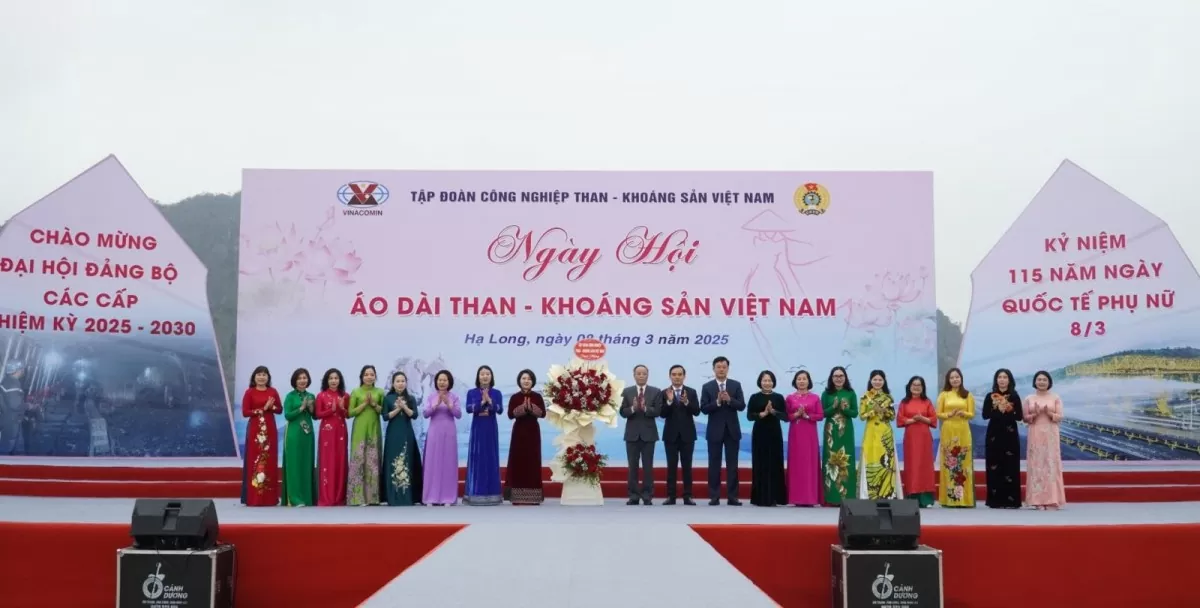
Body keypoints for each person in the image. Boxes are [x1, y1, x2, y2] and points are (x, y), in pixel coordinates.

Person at [701, 356, 746, 506]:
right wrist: (718, 402)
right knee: (714, 464)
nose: (721, 369)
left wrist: (730, 400)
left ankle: (733, 497)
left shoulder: (735, 385)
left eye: (724, 367)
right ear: (713, 369)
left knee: (732, 465)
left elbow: (741, 406)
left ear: (728, 368)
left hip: (732, 431)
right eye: (718, 367)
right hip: (714, 431)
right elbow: (704, 409)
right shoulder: (707, 387)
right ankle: (714, 496)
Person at [1024, 371, 1066, 510]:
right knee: (1036, 464)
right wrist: (1034, 414)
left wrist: (1049, 413)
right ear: (1035, 382)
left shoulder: (1055, 397)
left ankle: (1053, 499)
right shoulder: (1029, 398)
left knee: (1050, 464)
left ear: (1049, 382)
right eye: (1039, 379)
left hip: (1051, 434)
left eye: (1044, 380)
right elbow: (1025, 418)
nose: (1041, 382)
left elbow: (1060, 417)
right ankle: (1037, 500)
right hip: (1035, 433)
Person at [659, 364, 700, 505]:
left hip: (688, 435)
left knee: (687, 466)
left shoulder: (691, 392)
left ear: (684, 376)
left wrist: (687, 402)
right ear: (670, 376)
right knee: (671, 466)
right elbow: (662, 414)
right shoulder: (664, 392)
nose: (677, 377)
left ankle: (687, 496)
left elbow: (696, 411)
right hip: (670, 435)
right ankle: (671, 496)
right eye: (674, 374)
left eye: (679, 374)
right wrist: (669, 401)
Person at [242, 365, 282, 507]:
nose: (261, 377)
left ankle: (270, 498)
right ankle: (255, 497)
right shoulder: (249, 392)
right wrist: (262, 410)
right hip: (255, 430)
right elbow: (245, 412)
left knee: (269, 460)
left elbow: (279, 409)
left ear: (268, 378)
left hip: (270, 429)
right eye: (259, 374)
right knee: (256, 460)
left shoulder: (273, 391)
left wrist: (271, 408)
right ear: (254, 377)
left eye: (264, 374)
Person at [621, 364, 661, 505]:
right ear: (634, 375)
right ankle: (633, 495)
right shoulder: (627, 392)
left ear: (647, 375)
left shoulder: (655, 392)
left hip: (649, 434)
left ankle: (647, 495)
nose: (641, 376)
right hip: (632, 434)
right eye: (638, 373)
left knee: (648, 466)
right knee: (633, 466)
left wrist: (645, 408)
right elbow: (622, 412)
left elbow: (658, 411)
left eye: (644, 373)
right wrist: (633, 408)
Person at [382, 371, 424, 506]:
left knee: (407, 460)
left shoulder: (410, 398)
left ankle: (408, 496)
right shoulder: (388, 398)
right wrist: (397, 409)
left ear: (406, 383)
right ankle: (393, 496)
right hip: (393, 433)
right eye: (397, 381)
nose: (400, 384)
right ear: (393, 384)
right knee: (393, 461)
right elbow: (385, 416)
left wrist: (404, 407)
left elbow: (414, 415)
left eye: (403, 381)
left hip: (407, 433)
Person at [859, 370, 902, 500]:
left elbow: (892, 416)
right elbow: (862, 416)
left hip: (885, 432)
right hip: (871, 431)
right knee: (871, 459)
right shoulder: (865, 397)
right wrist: (873, 411)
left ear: (884, 382)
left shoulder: (889, 398)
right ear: (870, 381)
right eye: (875, 380)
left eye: (880, 380)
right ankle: (870, 493)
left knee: (887, 462)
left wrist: (884, 412)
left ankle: (887, 493)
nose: (877, 382)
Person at [983, 368, 1023, 509]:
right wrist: (997, 409)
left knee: (1010, 465)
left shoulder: (1014, 396)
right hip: (994, 434)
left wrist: (1008, 409)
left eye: (1005, 377)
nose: (1002, 379)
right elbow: (985, 415)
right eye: (999, 377)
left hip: (1010, 433)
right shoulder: (990, 396)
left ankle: (1011, 500)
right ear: (996, 380)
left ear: (1009, 380)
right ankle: (995, 500)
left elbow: (1019, 417)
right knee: (994, 465)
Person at [505, 369, 545, 505]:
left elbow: (543, 413)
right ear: (519, 381)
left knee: (532, 463)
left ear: (532, 381)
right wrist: (522, 408)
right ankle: (516, 496)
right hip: (519, 432)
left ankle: (533, 497)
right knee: (518, 462)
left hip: (533, 432)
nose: (526, 381)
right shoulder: (514, 397)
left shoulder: (537, 397)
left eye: (529, 379)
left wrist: (532, 408)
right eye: (523, 378)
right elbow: (510, 414)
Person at [937, 367, 976, 508]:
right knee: (949, 462)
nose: (955, 380)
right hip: (948, 429)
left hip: (963, 429)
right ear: (948, 380)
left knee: (963, 463)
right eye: (952, 377)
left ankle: (964, 499)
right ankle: (949, 498)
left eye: (957, 377)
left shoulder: (967, 395)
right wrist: (949, 414)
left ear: (961, 379)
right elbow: (938, 414)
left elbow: (972, 414)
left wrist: (963, 413)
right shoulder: (944, 395)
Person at [464, 365, 503, 506]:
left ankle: (493, 494)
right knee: (477, 457)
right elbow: (469, 408)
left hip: (491, 428)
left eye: (487, 374)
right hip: (478, 429)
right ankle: (475, 493)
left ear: (491, 376)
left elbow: (500, 410)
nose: (485, 376)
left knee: (491, 457)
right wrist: (482, 402)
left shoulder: (497, 393)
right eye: (482, 374)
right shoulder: (472, 392)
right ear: (478, 377)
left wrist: (490, 401)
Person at [747, 370, 787, 506]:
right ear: (760, 382)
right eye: (764, 380)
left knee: (775, 463)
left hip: (775, 433)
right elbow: (749, 416)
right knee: (760, 463)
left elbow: (785, 417)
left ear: (773, 382)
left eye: (769, 380)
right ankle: (760, 498)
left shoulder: (779, 398)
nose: (767, 383)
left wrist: (773, 412)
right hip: (759, 433)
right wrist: (762, 414)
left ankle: (776, 497)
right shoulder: (754, 397)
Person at [896, 376, 937, 508]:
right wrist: (914, 420)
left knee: (925, 466)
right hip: (911, 437)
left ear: (923, 387)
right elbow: (900, 420)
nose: (916, 387)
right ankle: (912, 496)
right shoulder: (904, 402)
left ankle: (925, 499)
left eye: (919, 385)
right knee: (912, 465)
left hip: (924, 437)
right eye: (914, 385)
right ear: (909, 386)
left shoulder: (927, 402)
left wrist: (921, 418)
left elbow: (933, 419)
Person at [422, 370, 462, 506]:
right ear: (436, 382)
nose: (442, 382)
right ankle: (431, 496)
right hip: (434, 432)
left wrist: (449, 404)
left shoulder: (454, 397)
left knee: (448, 463)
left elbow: (458, 414)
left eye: (445, 380)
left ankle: (448, 497)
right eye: (440, 380)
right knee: (433, 462)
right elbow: (426, 414)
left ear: (449, 382)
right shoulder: (431, 396)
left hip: (449, 431)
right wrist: (436, 405)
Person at [347, 365, 385, 506]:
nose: (369, 377)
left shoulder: (380, 392)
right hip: (359, 429)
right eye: (366, 374)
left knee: (373, 462)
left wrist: (374, 404)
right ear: (362, 377)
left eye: (372, 374)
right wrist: (364, 404)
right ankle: (356, 498)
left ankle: (372, 498)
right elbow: (350, 413)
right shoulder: (356, 392)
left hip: (374, 429)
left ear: (375, 377)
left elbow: (384, 412)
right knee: (358, 460)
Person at [821, 366, 858, 505]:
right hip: (831, 431)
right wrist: (833, 407)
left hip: (846, 431)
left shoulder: (850, 393)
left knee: (846, 460)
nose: (838, 378)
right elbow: (823, 413)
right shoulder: (826, 394)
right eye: (836, 376)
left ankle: (846, 496)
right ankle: (831, 497)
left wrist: (845, 409)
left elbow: (855, 413)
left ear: (845, 378)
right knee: (830, 460)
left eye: (841, 376)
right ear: (831, 378)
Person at [785, 370, 822, 506]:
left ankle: (810, 498)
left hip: (810, 433)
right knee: (796, 463)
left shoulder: (815, 398)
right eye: (799, 379)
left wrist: (807, 416)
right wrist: (796, 415)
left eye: (804, 379)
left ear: (808, 381)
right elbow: (786, 416)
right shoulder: (789, 398)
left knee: (809, 463)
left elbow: (820, 415)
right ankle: (796, 498)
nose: (801, 381)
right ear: (795, 381)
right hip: (795, 433)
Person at [281, 368, 317, 507]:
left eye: (305, 378)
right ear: (295, 381)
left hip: (307, 433)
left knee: (306, 463)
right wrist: (301, 408)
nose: (303, 381)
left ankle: (307, 497)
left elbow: (314, 416)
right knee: (294, 464)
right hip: (294, 432)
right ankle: (294, 498)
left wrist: (311, 408)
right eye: (300, 378)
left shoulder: (311, 395)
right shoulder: (290, 396)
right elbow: (288, 415)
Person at [315, 368, 349, 506]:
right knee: (327, 462)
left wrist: (342, 408)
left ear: (340, 380)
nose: (334, 381)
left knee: (340, 461)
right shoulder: (321, 395)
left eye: (336, 378)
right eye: (331, 378)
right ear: (326, 381)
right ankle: (327, 497)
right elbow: (318, 414)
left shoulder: (345, 396)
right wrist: (332, 410)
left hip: (340, 431)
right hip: (327, 433)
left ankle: (340, 496)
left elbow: (348, 415)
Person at [0, 361, 26, 455]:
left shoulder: (7, 381)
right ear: (16, 370)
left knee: (15, 446)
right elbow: (15, 405)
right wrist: (28, 406)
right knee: (7, 447)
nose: (23, 371)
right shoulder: (12, 384)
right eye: (21, 369)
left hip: (10, 419)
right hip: (11, 421)